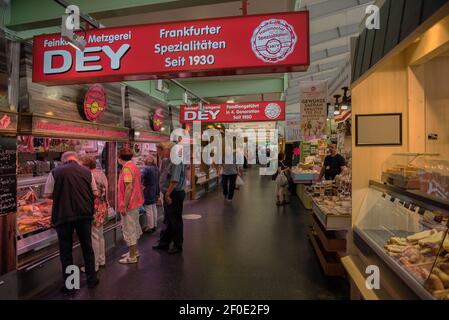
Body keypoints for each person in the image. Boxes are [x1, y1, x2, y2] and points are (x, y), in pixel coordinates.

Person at [44, 151, 99, 294]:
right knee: (87, 247)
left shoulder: (55, 172)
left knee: (66, 252)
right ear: (76, 159)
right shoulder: (87, 172)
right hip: (84, 215)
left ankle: (71, 285)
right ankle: (92, 280)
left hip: (64, 216)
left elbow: (48, 194)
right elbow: (95, 192)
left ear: (63, 161)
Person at [153, 142, 186, 254]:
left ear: (169, 150)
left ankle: (177, 244)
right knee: (168, 219)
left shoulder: (176, 161)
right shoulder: (167, 160)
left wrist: (167, 194)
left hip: (174, 194)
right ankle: (164, 243)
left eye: (162, 150)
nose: (159, 153)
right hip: (168, 192)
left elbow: (174, 180)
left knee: (175, 220)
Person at [80, 156, 109, 272]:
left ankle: (94, 265)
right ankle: (101, 260)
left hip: (94, 208)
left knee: (94, 237)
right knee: (100, 235)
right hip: (102, 207)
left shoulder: (90, 175)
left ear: (86, 166)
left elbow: (90, 194)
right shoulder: (101, 173)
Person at [117, 148, 144, 264]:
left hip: (130, 204)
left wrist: (124, 205)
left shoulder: (127, 169)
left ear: (119, 158)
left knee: (129, 229)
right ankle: (134, 251)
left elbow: (129, 187)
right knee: (135, 227)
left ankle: (132, 256)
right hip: (136, 202)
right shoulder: (134, 166)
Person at [141, 155, 160, 233]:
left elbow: (140, 176)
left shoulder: (146, 168)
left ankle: (150, 227)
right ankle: (154, 225)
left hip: (148, 190)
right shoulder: (156, 169)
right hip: (155, 189)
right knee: (154, 207)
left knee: (148, 208)